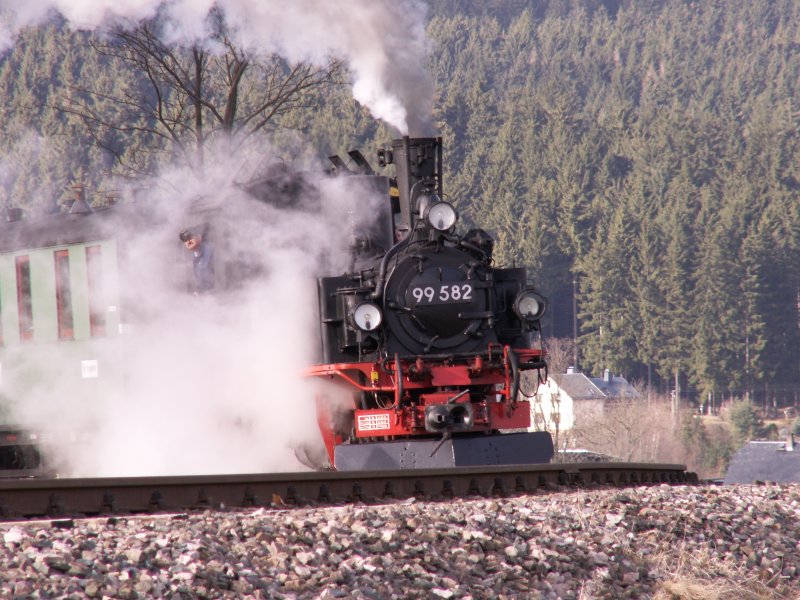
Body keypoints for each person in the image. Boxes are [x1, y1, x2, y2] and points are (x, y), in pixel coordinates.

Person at [179, 228, 215, 293]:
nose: (188, 241)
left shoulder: (208, 250)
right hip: (205, 294)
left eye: (190, 237)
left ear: (199, 237)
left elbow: (206, 271)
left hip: (213, 293)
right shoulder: (195, 256)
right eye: (185, 240)